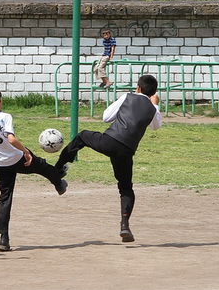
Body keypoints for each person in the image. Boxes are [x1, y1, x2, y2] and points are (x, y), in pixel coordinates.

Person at [54, 74, 162, 243]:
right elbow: (156, 126)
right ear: (154, 93)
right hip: (127, 151)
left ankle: (58, 168)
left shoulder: (128, 96)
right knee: (126, 188)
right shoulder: (152, 108)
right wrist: (155, 106)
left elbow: (106, 117)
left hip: (110, 141)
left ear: (138, 88)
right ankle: (125, 225)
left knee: (82, 137)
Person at [0, 87, 68, 252]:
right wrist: (25, 151)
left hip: (0, 164)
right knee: (41, 165)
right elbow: (11, 139)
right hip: (18, 158)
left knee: (5, 198)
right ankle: (59, 182)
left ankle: (3, 239)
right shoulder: (5, 117)